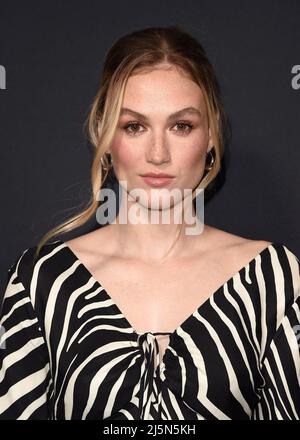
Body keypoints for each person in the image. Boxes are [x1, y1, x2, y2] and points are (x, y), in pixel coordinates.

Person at [0, 25, 299, 420]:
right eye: (134, 126)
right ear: (106, 136)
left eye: (181, 126)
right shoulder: (42, 283)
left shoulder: (272, 280)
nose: (158, 154)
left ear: (210, 137)